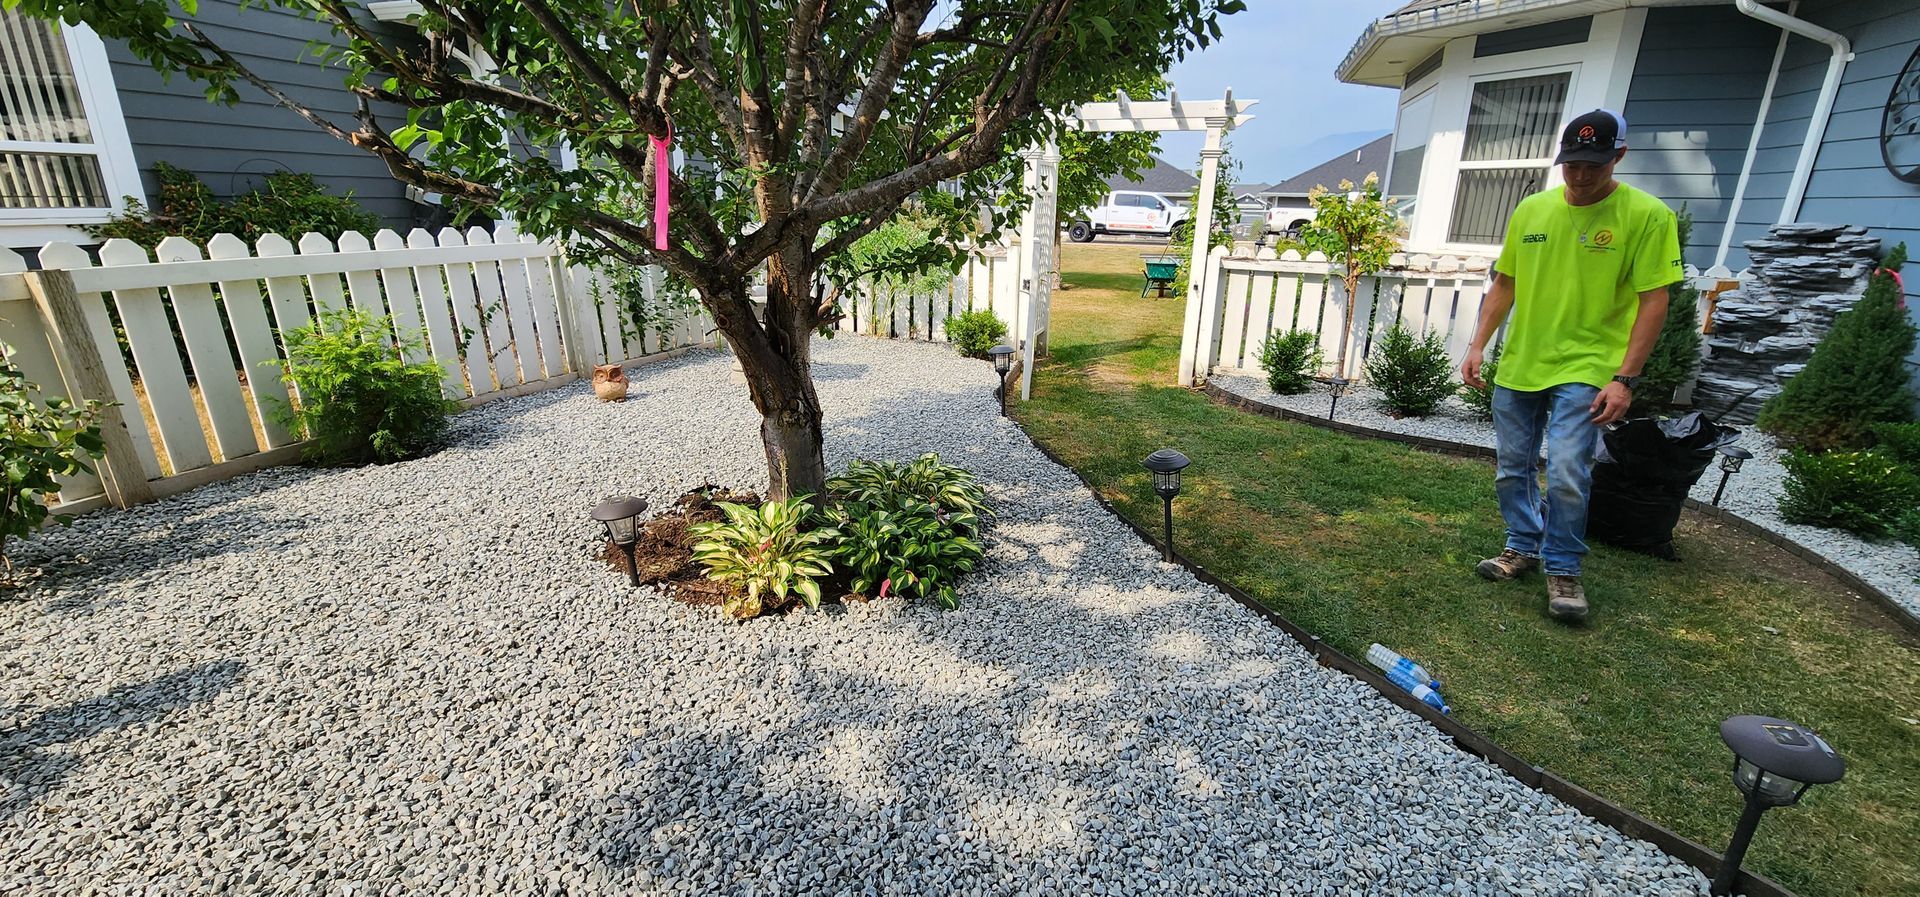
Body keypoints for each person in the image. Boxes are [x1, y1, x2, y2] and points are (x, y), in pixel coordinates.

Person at [1460, 109, 1682, 623]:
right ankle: (1521, 545)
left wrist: (1624, 378)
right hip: (1522, 361)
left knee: (1566, 470)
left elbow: (1655, 301)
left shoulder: (1648, 216)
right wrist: (1477, 345)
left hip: (1589, 365)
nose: (1581, 176)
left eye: (1594, 166)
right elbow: (1506, 284)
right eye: (1573, 164)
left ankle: (1563, 567)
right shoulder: (1532, 211)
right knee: (1512, 468)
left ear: (1618, 157)